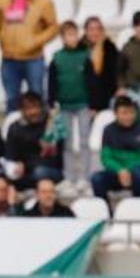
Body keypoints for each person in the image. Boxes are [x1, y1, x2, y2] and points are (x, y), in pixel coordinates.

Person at [48, 21, 94, 191]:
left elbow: (92, 81)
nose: (72, 38)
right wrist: (52, 103)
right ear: (62, 38)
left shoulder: (84, 56)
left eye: (74, 34)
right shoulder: (57, 58)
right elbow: (52, 82)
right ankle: (68, 176)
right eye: (68, 35)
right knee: (67, 142)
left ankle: (84, 176)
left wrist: (93, 104)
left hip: (82, 103)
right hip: (64, 104)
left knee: (83, 141)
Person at [91, 95, 140, 198]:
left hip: (138, 171)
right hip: (117, 172)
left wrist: (130, 169)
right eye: (124, 113)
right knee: (97, 179)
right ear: (116, 114)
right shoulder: (108, 130)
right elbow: (106, 157)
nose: (128, 116)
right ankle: (106, 212)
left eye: (131, 112)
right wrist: (120, 170)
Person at [4, 91, 64, 190]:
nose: (33, 112)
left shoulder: (51, 125)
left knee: (39, 172)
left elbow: (53, 159)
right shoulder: (15, 128)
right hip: (24, 172)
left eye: (36, 107)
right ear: (22, 110)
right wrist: (16, 165)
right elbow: (10, 155)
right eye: (29, 108)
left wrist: (26, 165)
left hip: (49, 170)